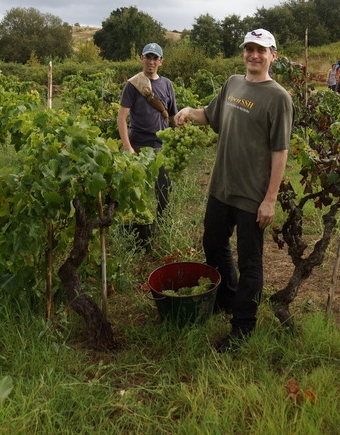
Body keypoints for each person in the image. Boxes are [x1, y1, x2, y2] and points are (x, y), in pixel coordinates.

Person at [174, 29, 294, 352]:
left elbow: (280, 151)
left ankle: (243, 327)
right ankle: (227, 297)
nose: (254, 55)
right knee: (212, 243)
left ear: (273, 55)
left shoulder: (279, 97)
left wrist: (270, 200)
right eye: (249, 49)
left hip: (252, 195)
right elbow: (210, 116)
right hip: (221, 185)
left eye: (261, 50)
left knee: (251, 262)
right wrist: (189, 112)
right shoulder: (232, 84)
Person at [117, 42, 177, 247]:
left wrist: (181, 139)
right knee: (135, 192)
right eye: (148, 57)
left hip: (161, 147)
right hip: (138, 146)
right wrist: (127, 147)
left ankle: (162, 229)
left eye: (155, 58)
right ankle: (135, 234)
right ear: (141, 59)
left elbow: (173, 115)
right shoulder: (133, 85)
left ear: (161, 62)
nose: (151, 61)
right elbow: (122, 117)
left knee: (164, 190)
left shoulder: (167, 84)